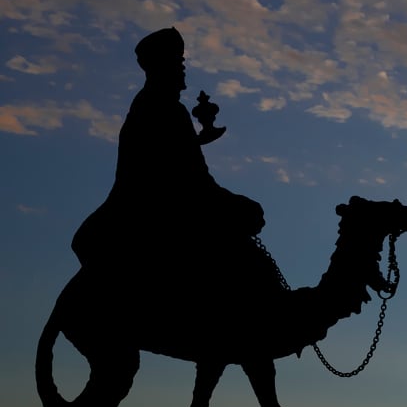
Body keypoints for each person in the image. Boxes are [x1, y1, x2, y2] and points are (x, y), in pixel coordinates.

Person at [71, 27, 265, 278]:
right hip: (149, 215)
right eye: (177, 61)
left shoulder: (150, 105)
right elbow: (192, 179)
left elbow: (168, 155)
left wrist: (194, 142)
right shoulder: (165, 109)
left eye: (181, 61)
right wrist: (238, 205)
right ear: (160, 66)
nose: (182, 68)